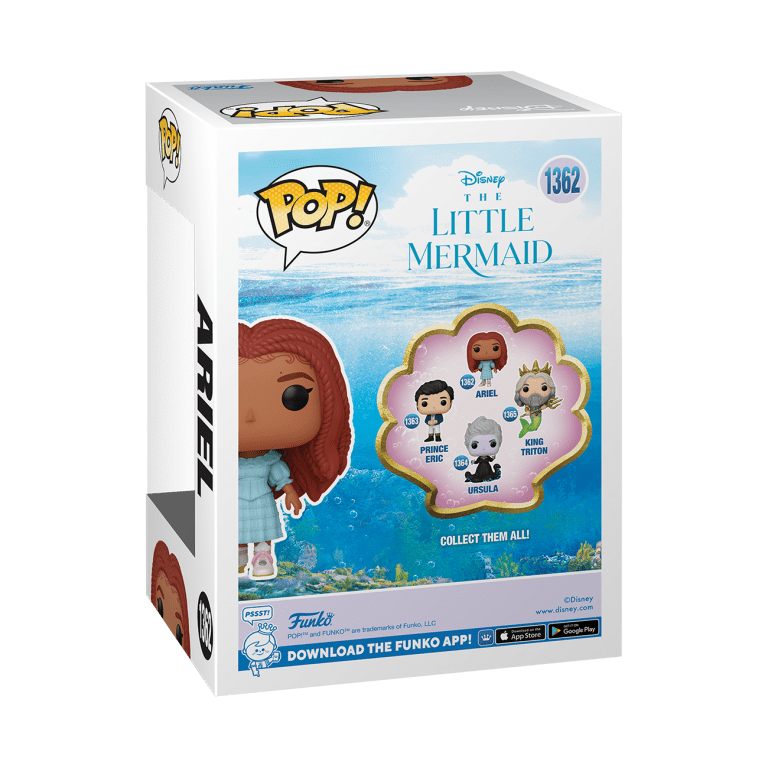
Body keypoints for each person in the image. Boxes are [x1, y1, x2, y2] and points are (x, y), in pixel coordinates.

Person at [239, 319, 352, 578]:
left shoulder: (270, 461)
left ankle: (262, 556)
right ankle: (237, 555)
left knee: (263, 531)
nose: (251, 417)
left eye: (294, 396)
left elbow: (281, 477)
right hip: (237, 502)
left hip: (262, 500)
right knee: (236, 529)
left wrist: (290, 492)